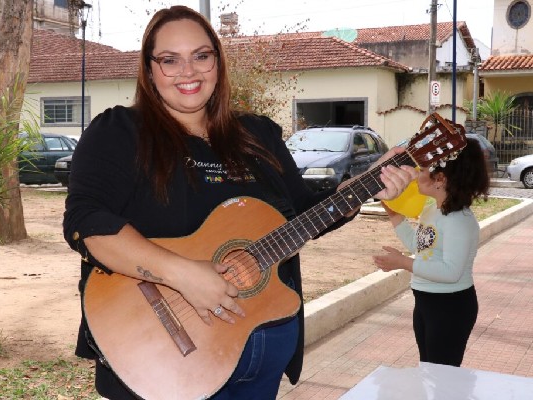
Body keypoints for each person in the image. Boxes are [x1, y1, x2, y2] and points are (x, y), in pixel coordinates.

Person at [63, 6, 417, 399]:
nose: (188, 71)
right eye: (170, 60)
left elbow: (302, 214)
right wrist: (182, 275)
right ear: (149, 69)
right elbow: (86, 221)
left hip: (264, 350)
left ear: (217, 61)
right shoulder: (120, 131)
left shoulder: (257, 134)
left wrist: (366, 185)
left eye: (201, 56)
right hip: (170, 356)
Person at [373, 137, 491, 368]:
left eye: (424, 169)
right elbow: (419, 246)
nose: (418, 174)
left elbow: (451, 272)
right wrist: (392, 211)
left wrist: (403, 263)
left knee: (442, 375)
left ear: (440, 179)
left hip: (450, 307)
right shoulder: (432, 210)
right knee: (428, 369)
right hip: (425, 302)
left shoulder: (459, 220)